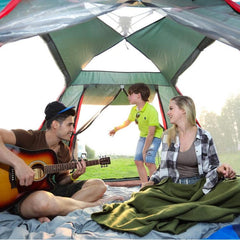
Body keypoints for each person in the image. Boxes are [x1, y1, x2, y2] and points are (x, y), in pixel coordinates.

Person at [0, 101, 123, 223]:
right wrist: (18, 164)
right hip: (22, 196)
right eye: (69, 125)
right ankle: (95, 204)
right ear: (55, 125)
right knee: (42, 201)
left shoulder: (64, 150)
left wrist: (74, 176)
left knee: (99, 185)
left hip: (50, 191)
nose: (73, 130)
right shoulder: (30, 137)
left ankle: (57, 210)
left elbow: (62, 181)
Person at [143, 95, 235, 193]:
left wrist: (220, 170)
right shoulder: (167, 136)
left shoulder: (204, 136)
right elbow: (163, 167)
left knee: (236, 187)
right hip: (173, 187)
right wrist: (152, 181)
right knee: (141, 198)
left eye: (171, 108)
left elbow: (214, 166)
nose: (168, 113)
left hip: (199, 187)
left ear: (183, 110)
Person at [109, 83, 163, 186]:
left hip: (154, 136)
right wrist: (115, 129)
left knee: (149, 161)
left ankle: (155, 186)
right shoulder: (134, 110)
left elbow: (151, 134)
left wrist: (144, 150)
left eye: (130, 94)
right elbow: (127, 122)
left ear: (138, 95)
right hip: (143, 136)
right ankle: (145, 185)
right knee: (138, 161)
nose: (128, 96)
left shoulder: (151, 110)